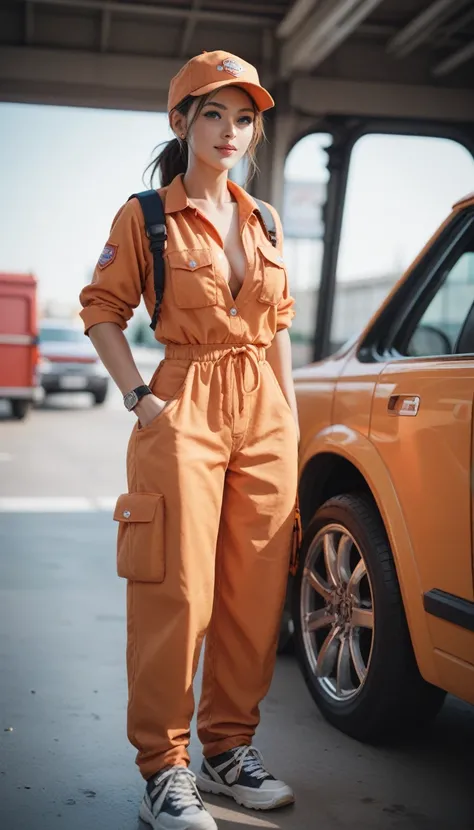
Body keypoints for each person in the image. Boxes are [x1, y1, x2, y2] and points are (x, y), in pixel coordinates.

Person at [79, 50, 300, 830]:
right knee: (177, 592)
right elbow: (102, 308)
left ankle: (227, 749)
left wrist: (289, 423)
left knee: (254, 596)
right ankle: (164, 769)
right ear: (181, 122)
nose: (232, 131)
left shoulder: (264, 218)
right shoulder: (145, 215)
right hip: (184, 403)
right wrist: (142, 400)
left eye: (245, 119)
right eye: (214, 114)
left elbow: (275, 330)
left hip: (263, 412)